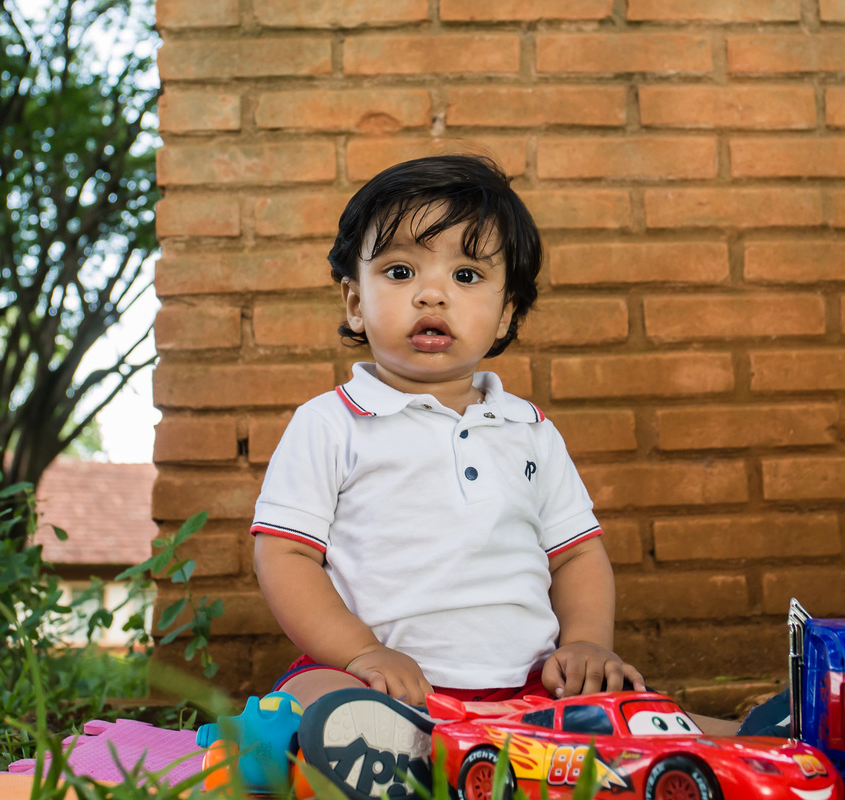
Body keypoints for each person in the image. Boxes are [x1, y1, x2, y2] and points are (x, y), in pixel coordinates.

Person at [250, 154, 645, 800]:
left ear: (508, 312)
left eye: (466, 275)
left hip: (523, 687)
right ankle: (396, 762)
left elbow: (577, 555)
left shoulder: (531, 431)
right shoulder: (330, 425)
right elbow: (285, 553)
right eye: (401, 271)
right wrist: (360, 654)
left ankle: (741, 735)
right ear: (355, 301)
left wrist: (584, 644)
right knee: (308, 703)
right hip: (386, 686)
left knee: (621, 703)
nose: (432, 294)